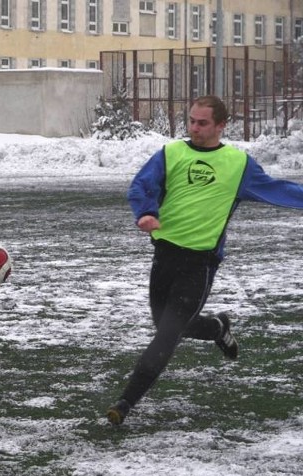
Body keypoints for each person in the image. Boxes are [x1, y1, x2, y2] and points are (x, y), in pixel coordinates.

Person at [106, 95, 303, 425]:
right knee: (166, 325)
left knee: (166, 335)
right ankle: (217, 327)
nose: (194, 128)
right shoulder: (172, 154)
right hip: (165, 256)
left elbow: (279, 190)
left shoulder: (239, 165)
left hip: (200, 263)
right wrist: (145, 213)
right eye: (192, 121)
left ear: (221, 125)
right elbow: (142, 185)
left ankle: (124, 404)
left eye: (203, 123)